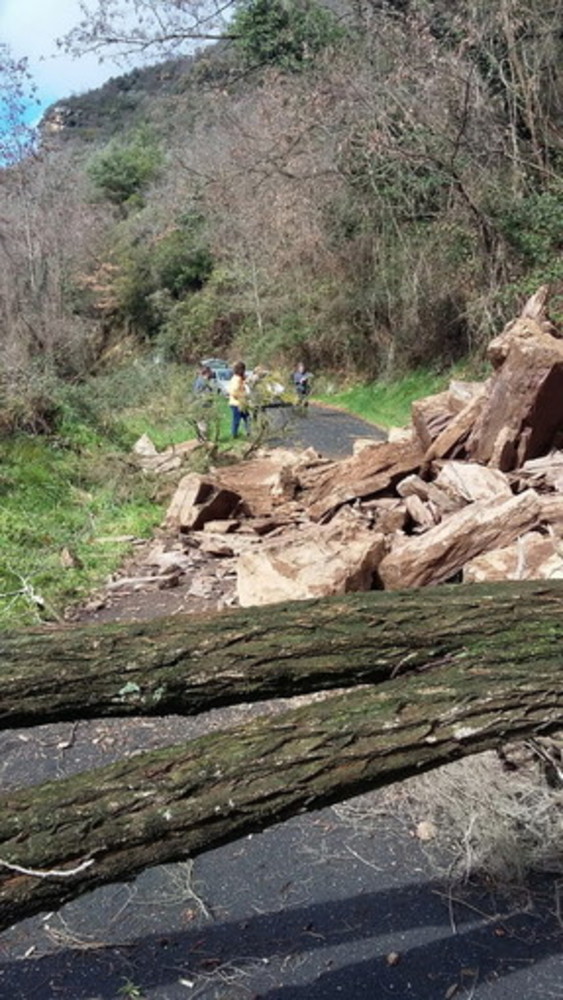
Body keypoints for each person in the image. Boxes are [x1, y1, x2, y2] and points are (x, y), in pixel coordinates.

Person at [228, 361, 250, 438]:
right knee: (236, 420)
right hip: (236, 404)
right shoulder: (236, 379)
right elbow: (234, 392)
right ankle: (234, 434)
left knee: (247, 418)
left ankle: (249, 433)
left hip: (241, 403)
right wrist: (244, 395)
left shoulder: (239, 378)